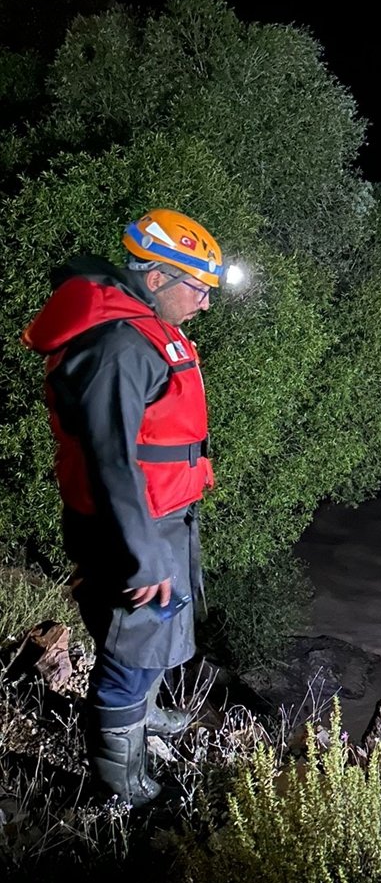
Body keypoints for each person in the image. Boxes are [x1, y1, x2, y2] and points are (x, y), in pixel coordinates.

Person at [22, 209, 225, 807]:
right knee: (129, 651)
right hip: (130, 528)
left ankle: (145, 715)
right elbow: (113, 461)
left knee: (154, 636)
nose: (205, 305)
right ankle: (122, 782)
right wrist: (142, 557)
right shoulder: (118, 344)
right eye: (197, 288)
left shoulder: (141, 326)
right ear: (157, 277)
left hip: (160, 519)